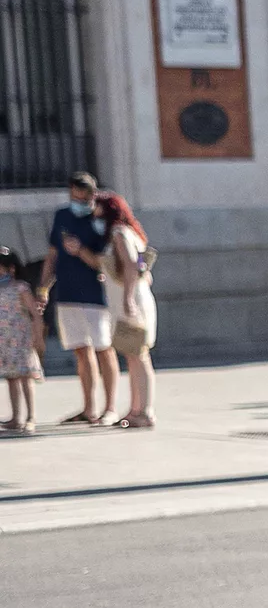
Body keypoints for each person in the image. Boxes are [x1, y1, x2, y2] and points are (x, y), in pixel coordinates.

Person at [63, 194, 157, 428]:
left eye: (97, 208)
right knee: (132, 355)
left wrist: (128, 300)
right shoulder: (124, 232)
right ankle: (136, 410)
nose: (93, 213)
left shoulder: (119, 233)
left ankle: (144, 411)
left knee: (139, 354)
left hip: (129, 301)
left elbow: (130, 266)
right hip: (127, 299)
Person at [37, 172, 119, 426]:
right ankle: (88, 408)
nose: (77, 201)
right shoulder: (62, 216)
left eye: (82, 197)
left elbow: (105, 263)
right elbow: (52, 254)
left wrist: (80, 251)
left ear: (92, 195)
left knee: (103, 349)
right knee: (81, 352)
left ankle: (111, 408)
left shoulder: (102, 220)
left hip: (96, 295)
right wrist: (43, 286)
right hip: (68, 294)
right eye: (73, 195)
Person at [0, 246, 45, 435]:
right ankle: (16, 417)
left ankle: (30, 417)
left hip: (21, 339)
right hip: (4, 341)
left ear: (11, 268)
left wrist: (38, 338)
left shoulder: (21, 288)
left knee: (26, 377)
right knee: (11, 377)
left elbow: (35, 315)